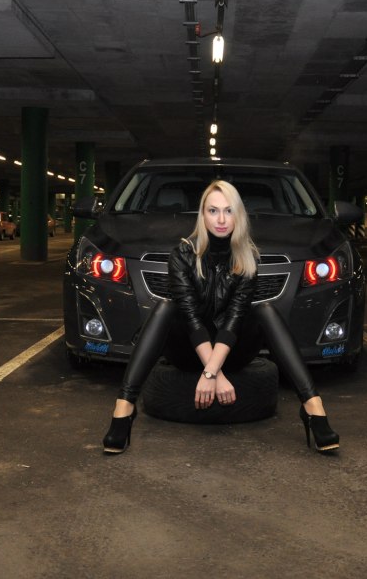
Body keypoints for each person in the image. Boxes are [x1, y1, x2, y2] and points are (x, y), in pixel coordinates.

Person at [102, 179, 339, 454]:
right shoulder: (182, 255)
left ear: (238, 215)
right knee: (166, 307)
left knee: (265, 310)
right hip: (188, 351)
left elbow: (234, 320)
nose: (221, 219)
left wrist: (213, 371)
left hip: (232, 349)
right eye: (213, 211)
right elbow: (190, 317)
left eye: (229, 211)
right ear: (202, 215)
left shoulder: (248, 258)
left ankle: (313, 407)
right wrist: (211, 372)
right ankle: (124, 407)